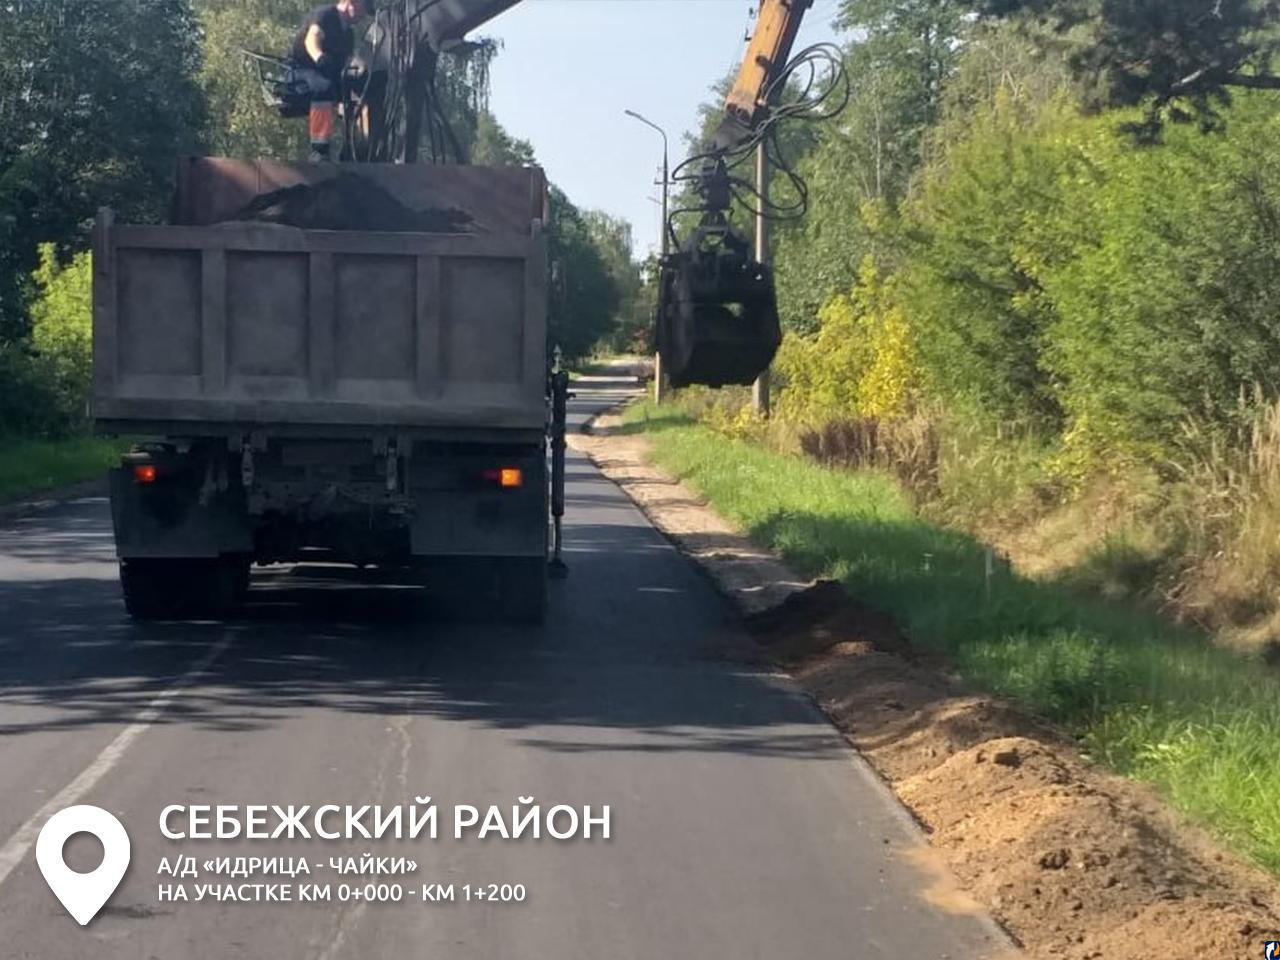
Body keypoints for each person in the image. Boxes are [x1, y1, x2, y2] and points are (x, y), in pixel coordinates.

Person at [289, 0, 373, 161]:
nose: (363, 16)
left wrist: (361, 70)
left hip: (328, 72)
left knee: (355, 90)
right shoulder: (326, 15)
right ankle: (319, 150)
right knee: (323, 87)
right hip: (301, 70)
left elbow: (348, 59)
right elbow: (311, 39)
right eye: (364, 9)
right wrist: (319, 57)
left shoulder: (348, 34)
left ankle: (353, 146)